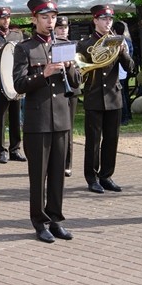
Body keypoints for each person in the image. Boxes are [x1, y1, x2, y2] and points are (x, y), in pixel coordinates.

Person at [13, 0, 80, 243]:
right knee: (38, 176)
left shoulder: (64, 43)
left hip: (61, 119)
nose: (50, 22)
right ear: (34, 19)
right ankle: (39, 222)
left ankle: (56, 219)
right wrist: (44, 73)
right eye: (44, 17)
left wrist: (71, 67)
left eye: (53, 17)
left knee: (58, 174)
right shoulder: (24, 48)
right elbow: (19, 84)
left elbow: (76, 82)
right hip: (38, 120)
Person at [76, 5, 133, 194]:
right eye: (103, 19)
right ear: (95, 21)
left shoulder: (117, 41)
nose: (107, 22)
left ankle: (106, 175)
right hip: (94, 95)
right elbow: (79, 72)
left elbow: (130, 67)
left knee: (111, 139)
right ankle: (91, 178)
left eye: (109, 19)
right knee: (93, 141)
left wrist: (124, 51)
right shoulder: (84, 44)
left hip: (114, 96)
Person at [0, 6, 26, 164]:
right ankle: (1, 150)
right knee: (0, 118)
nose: (6, 20)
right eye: (2, 18)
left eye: (8, 17)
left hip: (15, 82)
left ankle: (15, 149)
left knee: (16, 117)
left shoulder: (18, 35)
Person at [54, 16, 79, 177]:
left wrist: (70, 65)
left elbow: (78, 72)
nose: (63, 30)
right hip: (56, 89)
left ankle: (67, 163)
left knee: (68, 127)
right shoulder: (52, 44)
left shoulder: (73, 45)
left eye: (65, 27)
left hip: (71, 90)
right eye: (60, 27)